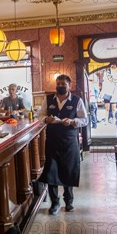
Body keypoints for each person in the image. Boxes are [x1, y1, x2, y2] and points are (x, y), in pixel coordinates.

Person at [38, 75, 88, 215]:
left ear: (69, 85)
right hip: (52, 140)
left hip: (69, 141)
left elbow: (85, 120)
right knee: (51, 172)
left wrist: (72, 122)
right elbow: (40, 115)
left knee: (68, 170)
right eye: (58, 83)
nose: (60, 86)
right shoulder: (48, 100)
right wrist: (46, 119)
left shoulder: (77, 100)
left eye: (63, 84)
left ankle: (69, 202)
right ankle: (55, 203)